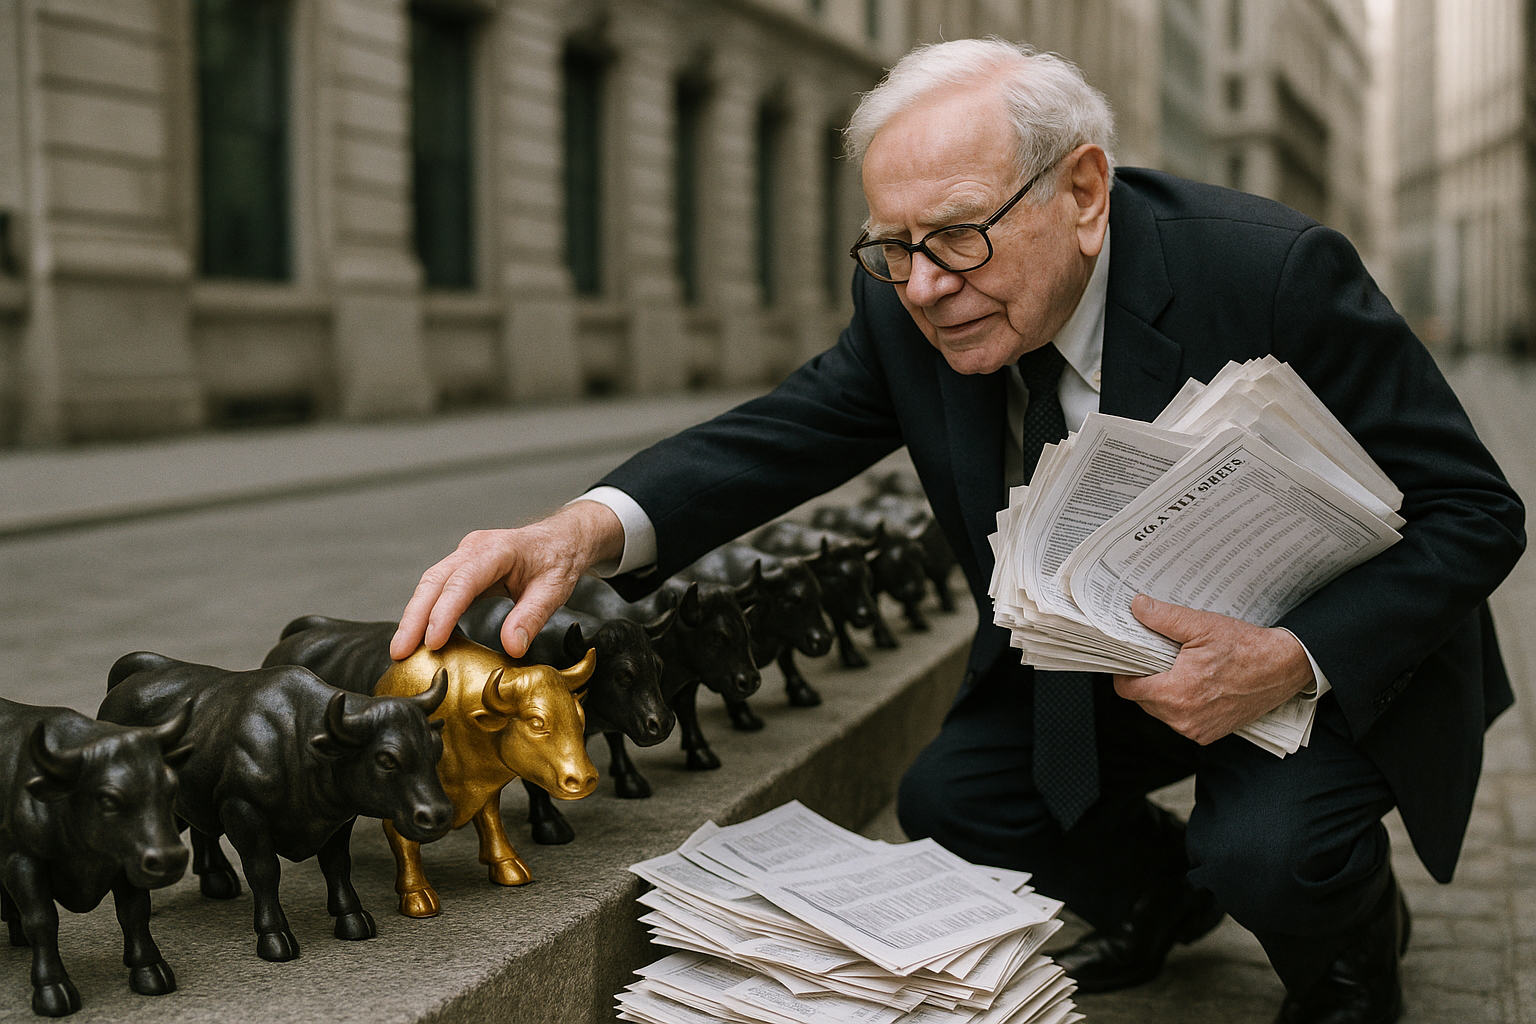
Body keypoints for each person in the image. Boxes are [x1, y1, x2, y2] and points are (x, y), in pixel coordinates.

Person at [390, 38, 1525, 1024]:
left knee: (1270, 851)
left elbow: (1478, 511)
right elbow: (780, 434)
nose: (923, 286)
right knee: (954, 800)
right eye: (892, 245)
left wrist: (1288, 658)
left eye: (957, 238)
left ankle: (1350, 955)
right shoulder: (908, 302)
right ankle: (1159, 898)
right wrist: (580, 529)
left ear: (1083, 191)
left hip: (1312, 658)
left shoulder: (1271, 271)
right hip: (1116, 658)